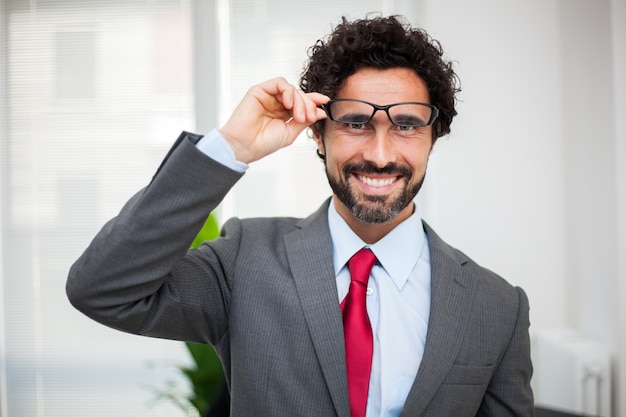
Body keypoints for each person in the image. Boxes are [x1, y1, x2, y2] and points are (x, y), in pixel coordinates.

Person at [67, 15, 533, 417]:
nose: (380, 153)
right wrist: (231, 147)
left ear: (434, 138)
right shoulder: (243, 260)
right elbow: (102, 290)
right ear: (317, 134)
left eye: (407, 126)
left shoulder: (497, 306)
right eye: (355, 123)